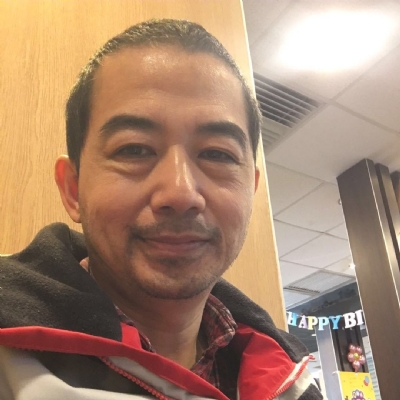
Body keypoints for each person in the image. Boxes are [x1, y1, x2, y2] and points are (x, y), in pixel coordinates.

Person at [0, 19, 323, 400]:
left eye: (217, 154)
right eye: (134, 149)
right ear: (73, 189)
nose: (181, 192)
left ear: (249, 192)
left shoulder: (293, 381)